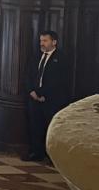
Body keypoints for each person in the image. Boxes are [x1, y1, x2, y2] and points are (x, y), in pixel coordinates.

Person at [26, 30, 69, 163]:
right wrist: (32, 91)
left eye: (45, 41)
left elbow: (59, 80)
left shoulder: (61, 58)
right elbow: (29, 75)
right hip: (34, 98)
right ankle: (36, 152)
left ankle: (51, 156)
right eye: (41, 41)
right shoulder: (36, 56)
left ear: (54, 42)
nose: (42, 44)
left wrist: (44, 94)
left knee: (50, 127)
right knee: (35, 126)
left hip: (51, 100)